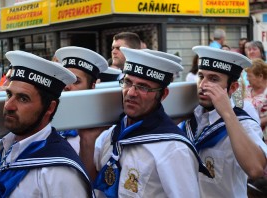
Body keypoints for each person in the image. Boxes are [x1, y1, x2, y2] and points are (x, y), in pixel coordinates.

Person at [79, 47, 211, 197]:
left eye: (143, 87)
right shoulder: (112, 135)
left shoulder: (174, 149)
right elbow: (94, 185)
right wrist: (87, 140)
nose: (131, 93)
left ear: (163, 95)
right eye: (127, 82)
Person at [0, 50, 95, 197]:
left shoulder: (59, 171)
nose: (9, 106)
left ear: (50, 108)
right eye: (9, 95)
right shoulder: (2, 148)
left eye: (23, 99)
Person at [179, 46, 267, 198]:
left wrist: (227, 113)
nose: (203, 84)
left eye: (213, 79)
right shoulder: (189, 120)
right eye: (201, 76)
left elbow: (256, 169)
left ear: (232, 87)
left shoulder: (243, 123)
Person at [54, 46, 109, 153]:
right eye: (64, 80)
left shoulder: (102, 128)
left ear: (92, 86)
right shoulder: (48, 118)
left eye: (75, 81)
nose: (67, 86)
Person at [245, 58, 267, 140]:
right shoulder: (247, 89)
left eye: (249, 76)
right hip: (249, 136)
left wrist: (255, 123)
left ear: (260, 76)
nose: (247, 79)